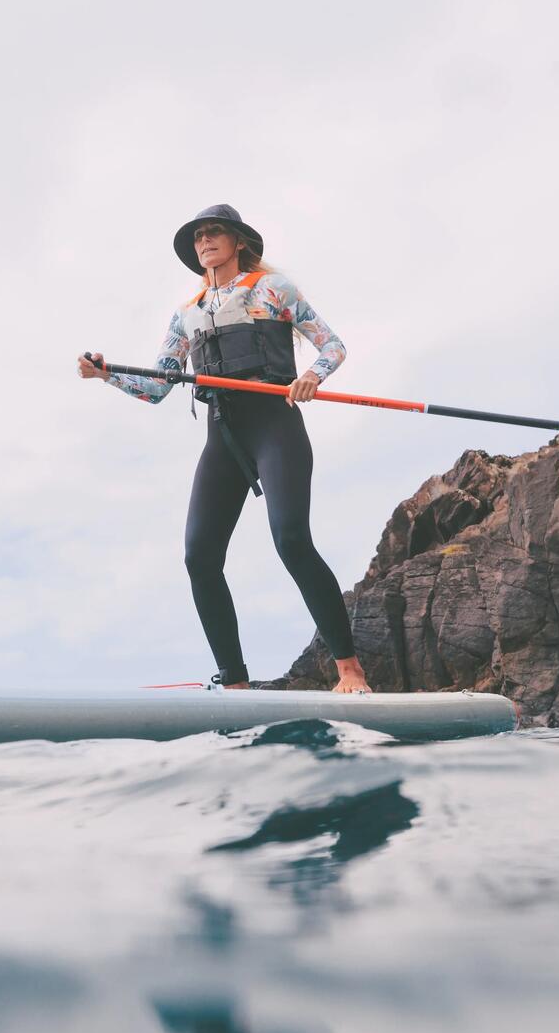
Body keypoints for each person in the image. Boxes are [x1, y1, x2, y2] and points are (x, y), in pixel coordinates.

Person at [77, 204, 371, 694]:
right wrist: (108, 375)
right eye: (198, 238)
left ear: (237, 241)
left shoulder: (274, 290)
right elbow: (157, 387)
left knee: (291, 540)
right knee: (199, 555)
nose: (204, 242)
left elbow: (332, 346)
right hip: (223, 436)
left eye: (213, 234)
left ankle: (349, 669)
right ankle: (235, 684)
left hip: (275, 425)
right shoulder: (186, 314)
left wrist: (310, 378)